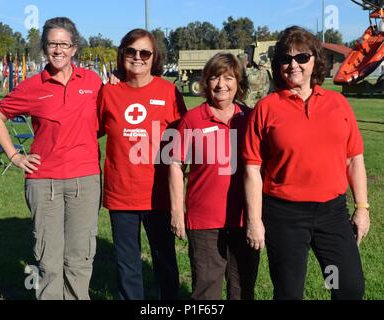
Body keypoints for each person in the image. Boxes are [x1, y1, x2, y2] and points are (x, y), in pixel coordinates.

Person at [243, 26, 370, 300]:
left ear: (315, 60)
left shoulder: (338, 104)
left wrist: (362, 207)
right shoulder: (266, 108)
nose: (294, 65)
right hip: (284, 216)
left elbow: (354, 159)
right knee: (289, 293)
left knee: (345, 287)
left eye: (302, 57)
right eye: (286, 59)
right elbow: (252, 169)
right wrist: (255, 220)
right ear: (278, 65)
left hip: (331, 215)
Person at [0, 17, 103, 300]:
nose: (58, 50)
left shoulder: (93, 81)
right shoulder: (31, 87)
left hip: (85, 181)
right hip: (44, 183)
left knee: (80, 258)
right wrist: (15, 156)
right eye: (52, 43)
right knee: (49, 261)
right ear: (45, 47)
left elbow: (106, 118)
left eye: (64, 44)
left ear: (74, 48)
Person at [97, 28, 186, 300]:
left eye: (145, 52)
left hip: (158, 193)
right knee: (127, 264)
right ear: (122, 54)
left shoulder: (169, 92)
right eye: (131, 51)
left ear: (154, 57)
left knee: (165, 261)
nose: (137, 57)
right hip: (121, 193)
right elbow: (90, 131)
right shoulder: (108, 92)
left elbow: (184, 140)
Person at [169, 52, 260, 300]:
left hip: (245, 219)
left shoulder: (250, 118)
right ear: (205, 83)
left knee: (243, 288)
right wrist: (177, 211)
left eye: (229, 78)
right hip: (205, 220)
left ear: (238, 82)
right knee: (206, 289)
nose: (221, 85)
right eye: (214, 78)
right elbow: (175, 164)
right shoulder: (192, 119)